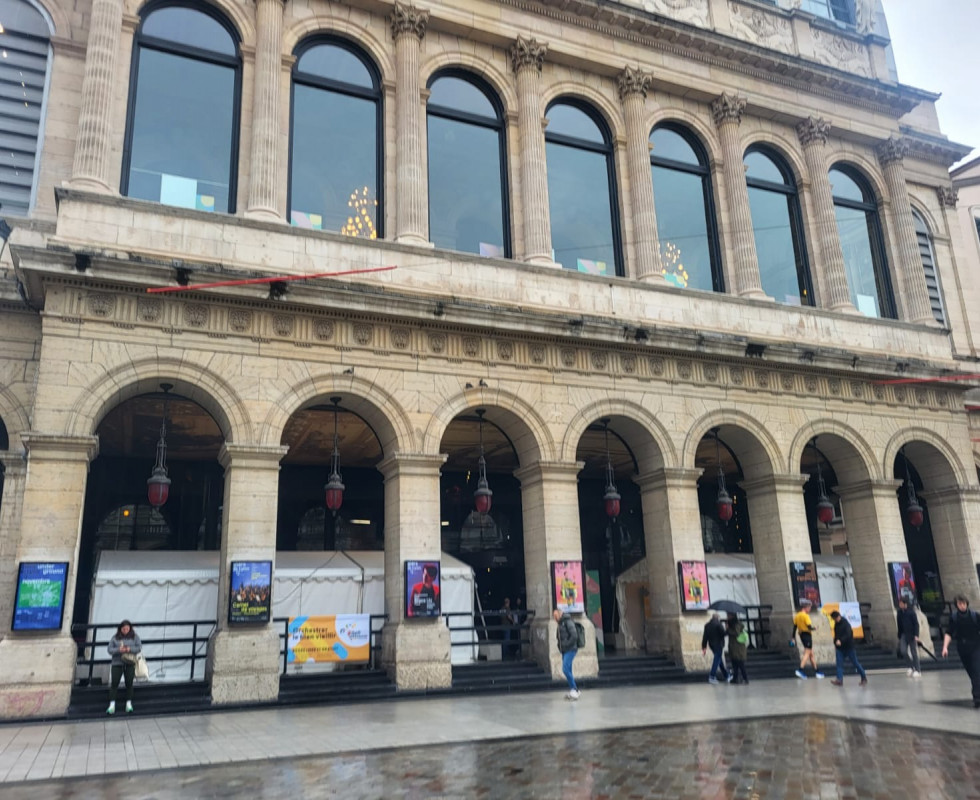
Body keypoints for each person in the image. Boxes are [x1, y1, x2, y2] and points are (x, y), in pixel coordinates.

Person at [941, 594, 980, 708]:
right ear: (956, 605)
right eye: (959, 604)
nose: (962, 605)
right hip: (962, 648)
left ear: (967, 603)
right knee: (972, 672)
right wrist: (945, 647)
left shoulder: (975, 616)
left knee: (976, 671)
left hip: (976, 646)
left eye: (963, 603)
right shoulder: (954, 618)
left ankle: (977, 697)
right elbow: (949, 632)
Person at [107, 619, 142, 715]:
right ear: (120, 629)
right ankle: (112, 704)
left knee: (129, 682)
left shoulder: (135, 637)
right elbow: (109, 649)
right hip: (117, 662)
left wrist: (129, 649)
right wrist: (119, 649)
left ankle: (128, 703)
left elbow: (139, 647)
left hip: (130, 662)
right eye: (123, 629)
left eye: (127, 629)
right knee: (114, 682)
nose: (125, 630)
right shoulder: (115, 637)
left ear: (130, 629)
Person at [829, 610, 868, 687]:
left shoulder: (846, 624)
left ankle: (863, 677)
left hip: (849, 647)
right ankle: (839, 680)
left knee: (855, 663)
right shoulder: (836, 625)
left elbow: (848, 634)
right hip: (840, 648)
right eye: (834, 619)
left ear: (838, 616)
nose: (835, 620)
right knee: (839, 664)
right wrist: (835, 641)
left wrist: (841, 640)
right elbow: (836, 635)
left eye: (835, 619)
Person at [792, 599, 824, 680]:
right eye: (809, 608)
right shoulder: (805, 616)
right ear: (805, 607)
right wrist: (815, 628)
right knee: (807, 653)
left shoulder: (797, 615)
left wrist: (793, 637)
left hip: (802, 635)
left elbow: (795, 627)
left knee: (811, 654)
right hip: (807, 635)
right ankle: (800, 669)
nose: (809, 609)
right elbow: (809, 627)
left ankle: (817, 671)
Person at [554, 608, 580, 700]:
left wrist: (566, 644)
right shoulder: (560, 624)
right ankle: (573, 689)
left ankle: (574, 689)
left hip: (571, 649)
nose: (555, 618)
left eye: (555, 616)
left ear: (560, 614)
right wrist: (560, 647)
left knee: (565, 669)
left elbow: (574, 635)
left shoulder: (568, 622)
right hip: (565, 650)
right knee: (568, 670)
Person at [896, 596, 922, 678]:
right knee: (903, 651)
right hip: (903, 634)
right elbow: (899, 624)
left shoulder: (911, 612)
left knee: (914, 652)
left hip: (911, 634)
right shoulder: (899, 613)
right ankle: (910, 666)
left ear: (905, 604)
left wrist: (916, 635)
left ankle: (918, 670)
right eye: (899, 604)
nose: (900, 605)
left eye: (901, 603)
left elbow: (916, 624)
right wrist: (899, 635)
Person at [701, 612, 729, 685]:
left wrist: (704, 647)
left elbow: (705, 637)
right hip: (719, 645)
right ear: (718, 618)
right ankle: (712, 676)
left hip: (712, 645)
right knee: (716, 660)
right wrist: (727, 629)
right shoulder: (718, 624)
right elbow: (723, 634)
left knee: (719, 660)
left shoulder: (707, 625)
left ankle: (726, 675)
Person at [727, 614, 749, 685]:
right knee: (734, 665)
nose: (728, 617)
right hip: (733, 647)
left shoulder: (737, 624)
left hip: (738, 648)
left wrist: (728, 630)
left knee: (740, 664)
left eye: (729, 615)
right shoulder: (732, 624)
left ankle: (745, 678)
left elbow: (736, 633)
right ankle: (735, 678)